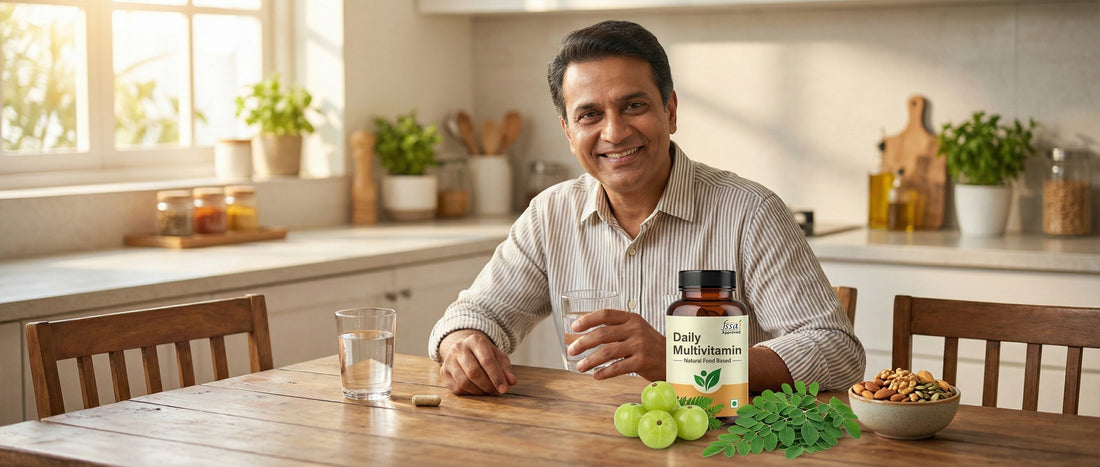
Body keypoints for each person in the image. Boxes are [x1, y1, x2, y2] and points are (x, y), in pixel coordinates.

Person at [428, 20, 865, 396]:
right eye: (589, 115)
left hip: (724, 445)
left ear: (670, 111)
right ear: (567, 130)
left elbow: (835, 349)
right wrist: (463, 343)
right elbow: (476, 315)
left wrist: (683, 360)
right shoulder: (549, 215)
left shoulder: (751, 213)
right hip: (594, 444)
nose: (614, 132)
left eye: (633, 106)